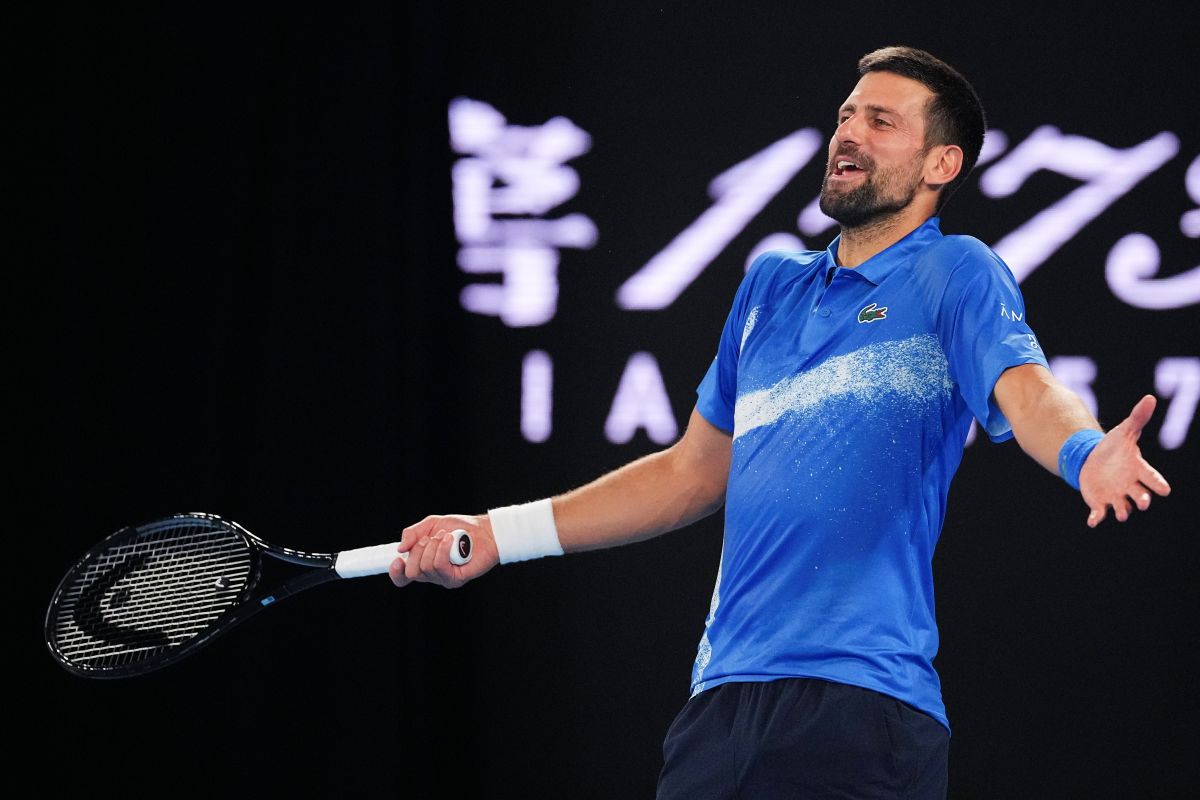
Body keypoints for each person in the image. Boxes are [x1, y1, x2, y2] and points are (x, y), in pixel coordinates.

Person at [389, 46, 1171, 798]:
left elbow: (1026, 390)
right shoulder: (768, 284)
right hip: (719, 711)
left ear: (941, 166)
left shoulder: (954, 271)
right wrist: (499, 533)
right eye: (847, 115)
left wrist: (1082, 453)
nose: (850, 134)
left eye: (883, 122)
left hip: (862, 708)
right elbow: (689, 472)